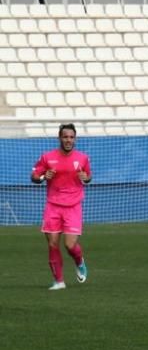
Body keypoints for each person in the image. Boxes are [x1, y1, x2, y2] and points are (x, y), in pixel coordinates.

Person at [30, 123, 91, 291]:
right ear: (59, 138)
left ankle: (79, 261)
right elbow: (34, 176)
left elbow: (88, 177)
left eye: (71, 137)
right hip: (53, 206)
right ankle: (59, 281)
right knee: (52, 244)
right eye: (65, 137)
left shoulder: (82, 158)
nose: (68, 140)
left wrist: (85, 178)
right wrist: (43, 176)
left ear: (75, 139)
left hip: (73, 206)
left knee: (70, 245)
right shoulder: (47, 157)